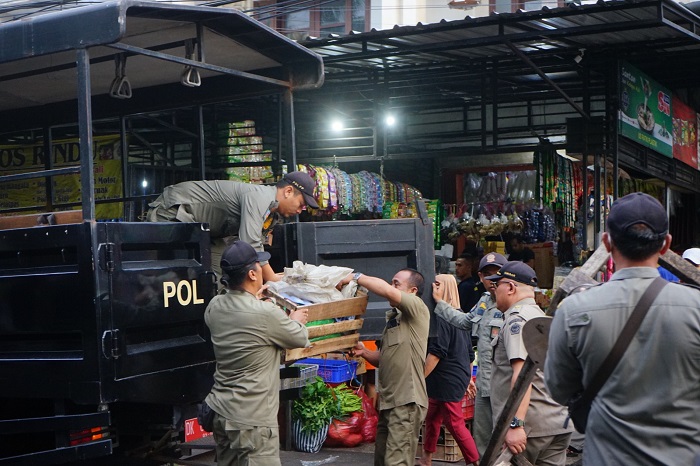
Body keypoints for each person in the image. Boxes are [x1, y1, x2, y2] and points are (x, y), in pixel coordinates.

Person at [544, 192, 700, 466]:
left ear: (607, 242)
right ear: (666, 245)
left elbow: (558, 389)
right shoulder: (695, 307)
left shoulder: (574, 310)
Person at [203, 241, 310, 466]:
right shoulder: (265, 313)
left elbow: (245, 322)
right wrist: (296, 321)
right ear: (252, 274)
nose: (263, 269)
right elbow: (298, 338)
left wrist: (258, 302)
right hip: (252, 421)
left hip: (222, 412)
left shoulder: (214, 306)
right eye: (260, 265)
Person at [146, 171, 319, 281]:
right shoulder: (259, 196)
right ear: (288, 191)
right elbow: (250, 246)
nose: (301, 210)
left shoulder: (272, 214)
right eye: (302, 203)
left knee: (220, 271)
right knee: (174, 274)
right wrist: (273, 280)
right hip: (174, 211)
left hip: (205, 230)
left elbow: (254, 250)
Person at [339, 268, 430, 466]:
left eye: (397, 283)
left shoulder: (417, 308)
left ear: (413, 291)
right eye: (391, 282)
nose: (392, 287)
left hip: (406, 401)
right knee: (382, 460)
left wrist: (356, 277)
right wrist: (364, 352)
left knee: (396, 462)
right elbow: (384, 358)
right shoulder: (395, 319)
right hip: (389, 402)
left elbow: (387, 292)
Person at [486, 261, 572, 465]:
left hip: (530, 428)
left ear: (510, 287)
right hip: (556, 421)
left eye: (496, 285)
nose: (494, 290)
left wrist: (516, 424)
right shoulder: (539, 316)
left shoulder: (518, 320)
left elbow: (522, 375)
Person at [433, 251, 507, 456]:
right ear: (481, 277)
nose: (492, 280)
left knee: (507, 441)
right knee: (483, 439)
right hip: (484, 384)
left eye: (497, 274)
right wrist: (439, 303)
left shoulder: (514, 305)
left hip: (505, 386)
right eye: (487, 275)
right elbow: (465, 322)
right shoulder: (484, 301)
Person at [420, 274, 479, 466]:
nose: (432, 288)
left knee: (454, 423)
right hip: (450, 377)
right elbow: (470, 354)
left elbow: (437, 353)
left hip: (446, 379)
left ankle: (475, 461)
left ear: (444, 288)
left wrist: (419, 378)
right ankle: (426, 459)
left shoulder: (442, 317)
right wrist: (468, 377)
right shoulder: (459, 314)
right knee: (432, 419)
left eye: (437, 285)